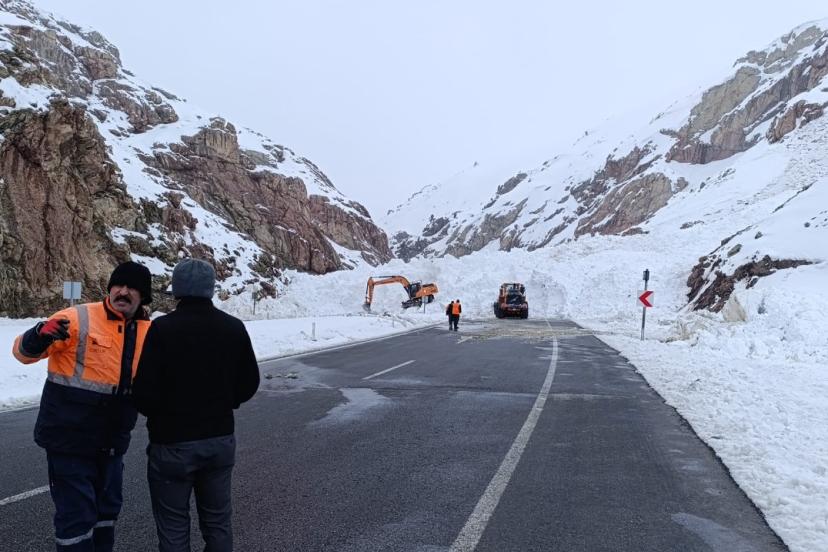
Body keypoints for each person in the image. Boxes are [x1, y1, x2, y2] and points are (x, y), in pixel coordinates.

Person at [12, 261, 153, 552]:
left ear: (144, 296)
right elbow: (22, 354)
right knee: (76, 517)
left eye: (132, 288)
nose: (123, 292)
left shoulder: (148, 332)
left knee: (107, 513)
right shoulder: (77, 318)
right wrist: (39, 335)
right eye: (118, 285)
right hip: (69, 441)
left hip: (112, 443)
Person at [133, 258, 260, 552]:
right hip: (219, 438)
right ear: (210, 289)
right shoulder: (233, 327)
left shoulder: (162, 329)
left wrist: (159, 414)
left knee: (173, 526)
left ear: (177, 289)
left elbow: (144, 390)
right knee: (218, 523)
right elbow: (249, 382)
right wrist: (227, 402)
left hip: (172, 442)